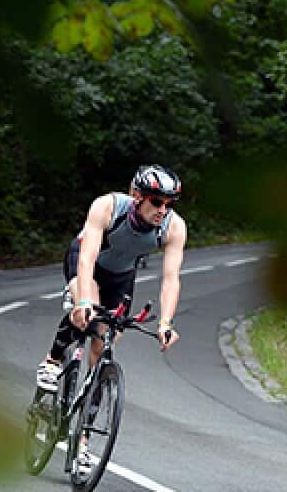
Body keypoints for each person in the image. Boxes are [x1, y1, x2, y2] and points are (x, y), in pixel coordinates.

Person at [36, 164, 187, 396]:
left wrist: (166, 322)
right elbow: (87, 258)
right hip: (87, 262)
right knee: (88, 313)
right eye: (157, 202)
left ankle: (84, 428)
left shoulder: (174, 227)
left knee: (103, 344)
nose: (163, 210)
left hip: (121, 276)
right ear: (137, 196)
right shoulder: (108, 206)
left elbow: (170, 279)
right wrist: (85, 301)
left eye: (170, 204)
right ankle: (52, 360)